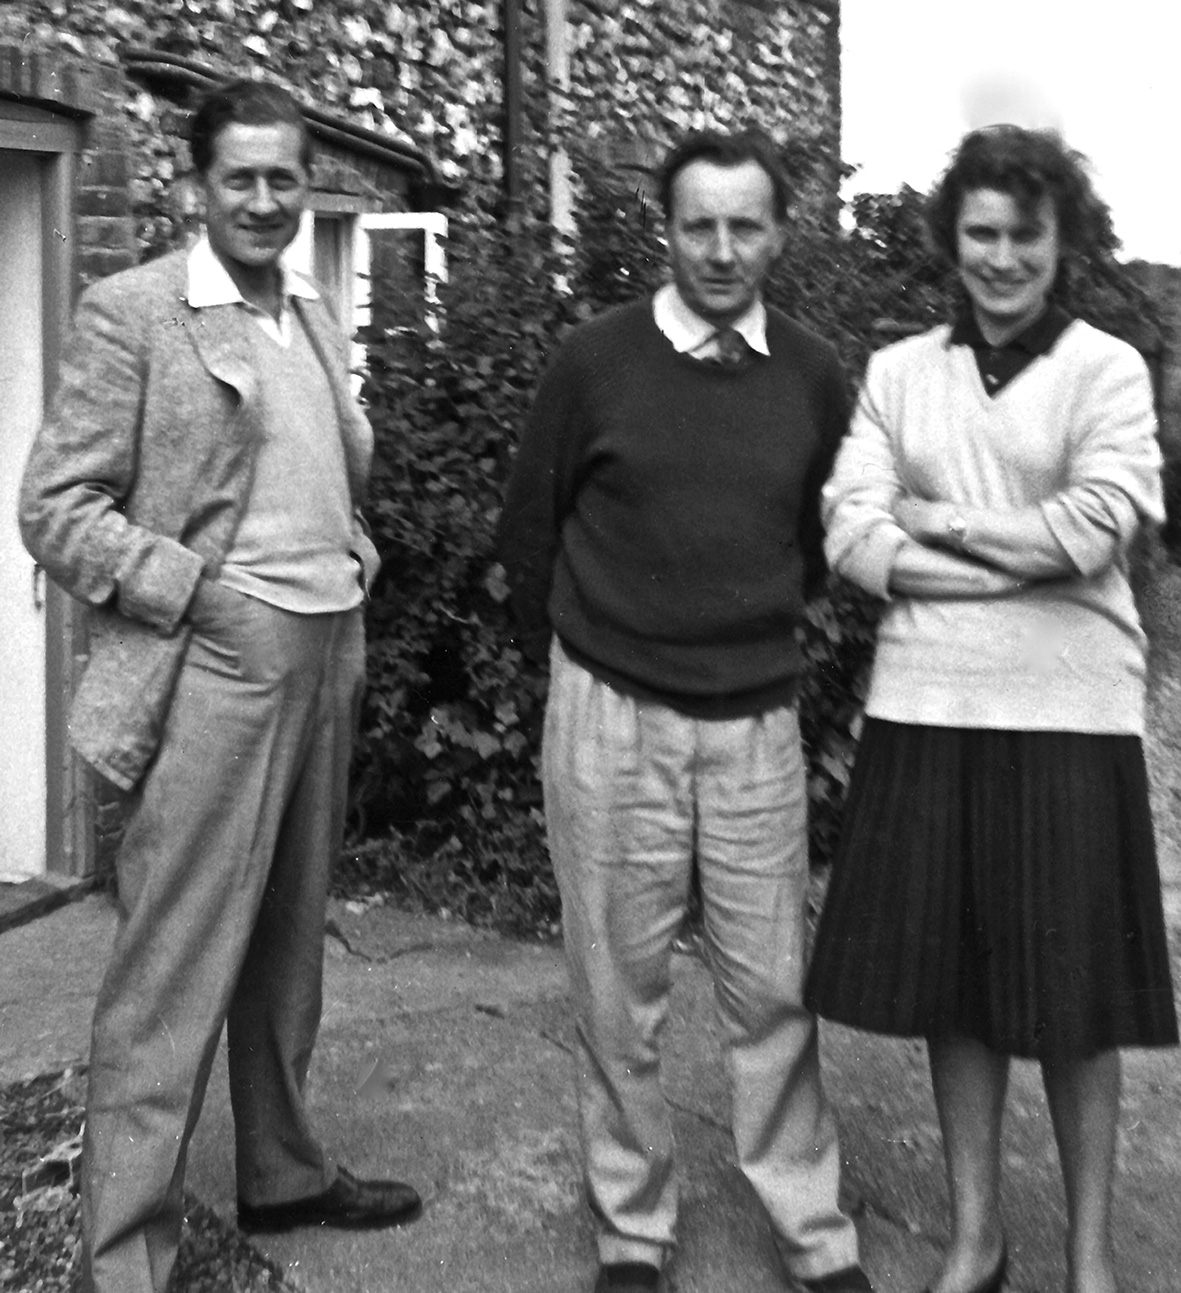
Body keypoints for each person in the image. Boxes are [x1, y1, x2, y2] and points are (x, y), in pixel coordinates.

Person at [19, 79, 421, 1293]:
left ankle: (284, 1168)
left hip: (327, 651)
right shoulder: (136, 310)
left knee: (290, 939)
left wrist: (352, 551)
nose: (262, 200)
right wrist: (195, 592)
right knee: (177, 956)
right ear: (197, 187)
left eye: (282, 179)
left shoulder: (306, 307)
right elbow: (55, 507)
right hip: (217, 664)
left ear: (306, 188)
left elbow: (318, 466)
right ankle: (124, 1254)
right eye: (238, 178)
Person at [804, 125, 1178, 1293]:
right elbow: (849, 533)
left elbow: (1093, 528)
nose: (1001, 257)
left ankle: (1089, 1260)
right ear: (950, 241)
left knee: (1074, 1001)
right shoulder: (896, 372)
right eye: (980, 233)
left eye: (1024, 233)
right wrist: (1007, 558)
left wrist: (942, 524)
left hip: (1068, 713)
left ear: (1059, 240)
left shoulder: (1107, 369)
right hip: (927, 703)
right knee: (948, 988)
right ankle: (975, 1240)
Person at [498, 129, 871, 1293]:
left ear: (777, 232)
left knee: (774, 991)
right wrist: (577, 667)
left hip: (753, 722)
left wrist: (736, 631)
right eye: (697, 225)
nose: (720, 249)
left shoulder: (815, 375)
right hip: (608, 714)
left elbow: (816, 546)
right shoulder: (592, 362)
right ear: (667, 231)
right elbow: (527, 530)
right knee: (616, 987)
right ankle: (630, 1229)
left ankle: (812, 1233)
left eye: (744, 225)